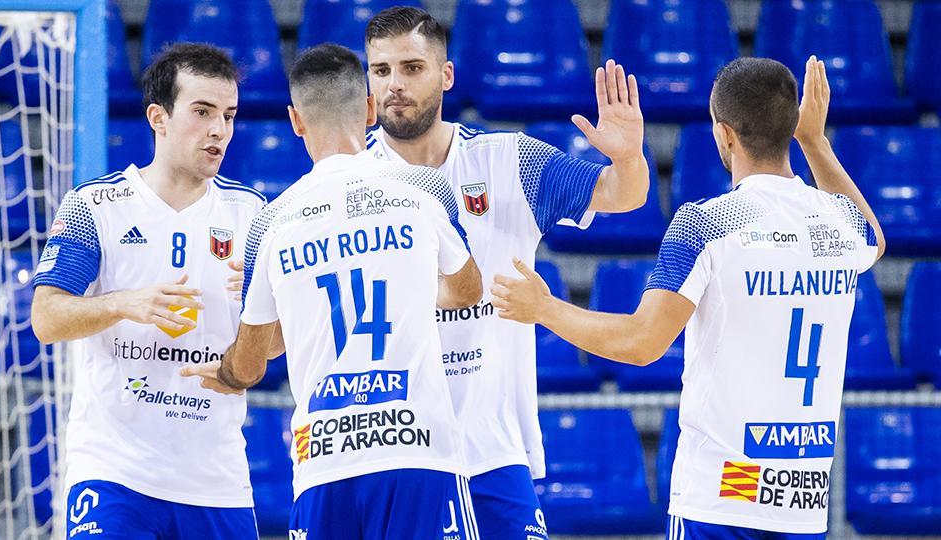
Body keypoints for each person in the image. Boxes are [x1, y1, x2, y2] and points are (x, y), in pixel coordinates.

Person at [491, 57, 884, 539]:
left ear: (724, 135)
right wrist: (815, 140)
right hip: (803, 503)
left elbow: (642, 343)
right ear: (789, 126)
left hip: (720, 498)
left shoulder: (707, 223)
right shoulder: (840, 224)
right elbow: (874, 238)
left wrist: (545, 308)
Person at [363, 7, 650, 537]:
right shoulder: (347, 182)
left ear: (446, 75)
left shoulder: (509, 161)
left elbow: (622, 196)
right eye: (381, 71)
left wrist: (629, 157)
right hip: (391, 452)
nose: (394, 85)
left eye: (411, 67)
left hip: (493, 447)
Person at [182, 43, 484, 540]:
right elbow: (467, 289)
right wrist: (406, 282)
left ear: (295, 121)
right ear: (370, 108)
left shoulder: (272, 221)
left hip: (325, 466)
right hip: (419, 454)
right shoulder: (422, 188)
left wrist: (227, 370)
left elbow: (252, 365)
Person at [30, 43, 266, 539]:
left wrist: (264, 314)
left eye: (229, 115)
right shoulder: (95, 204)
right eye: (202, 112)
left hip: (215, 481)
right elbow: (46, 319)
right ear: (158, 117)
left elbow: (276, 345)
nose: (219, 130)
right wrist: (123, 303)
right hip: (115, 471)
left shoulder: (252, 215)